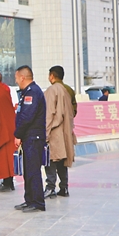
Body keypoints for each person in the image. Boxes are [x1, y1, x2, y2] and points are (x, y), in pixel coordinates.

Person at [13, 65, 46, 213]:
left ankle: (37, 202)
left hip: (33, 137)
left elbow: (27, 117)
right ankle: (30, 200)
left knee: (33, 170)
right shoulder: (27, 92)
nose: (16, 81)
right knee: (28, 171)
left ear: (22, 77)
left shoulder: (32, 92)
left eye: (16, 78)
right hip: (29, 137)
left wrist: (18, 134)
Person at [43, 66, 76, 198]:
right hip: (66, 130)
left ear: (52, 76)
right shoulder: (68, 90)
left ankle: (50, 187)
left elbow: (49, 113)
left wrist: (45, 133)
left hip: (55, 131)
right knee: (62, 159)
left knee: (51, 158)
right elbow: (74, 110)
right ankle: (64, 187)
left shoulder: (52, 90)